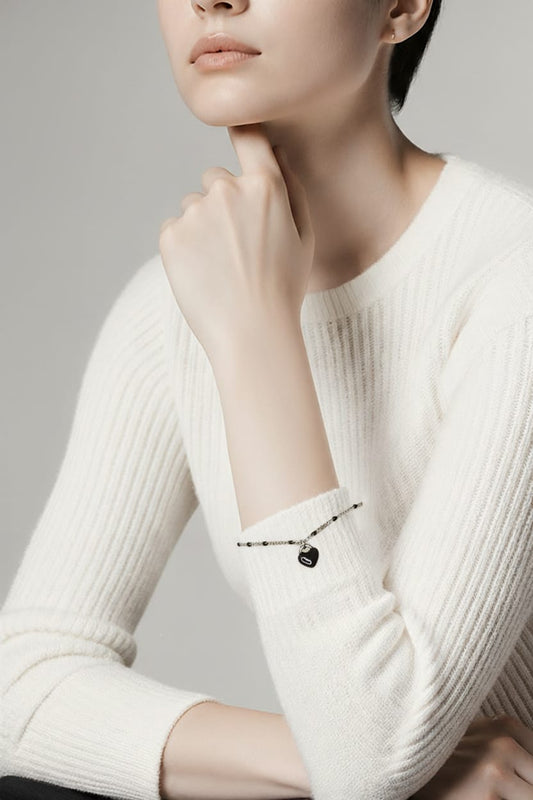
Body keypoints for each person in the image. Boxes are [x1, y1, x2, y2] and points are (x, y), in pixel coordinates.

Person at [2, 0, 533, 798]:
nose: (213, 0)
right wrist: (327, 759)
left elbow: (367, 761)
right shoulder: (176, 302)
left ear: (399, 8)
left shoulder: (509, 280)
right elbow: (19, 691)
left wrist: (257, 338)